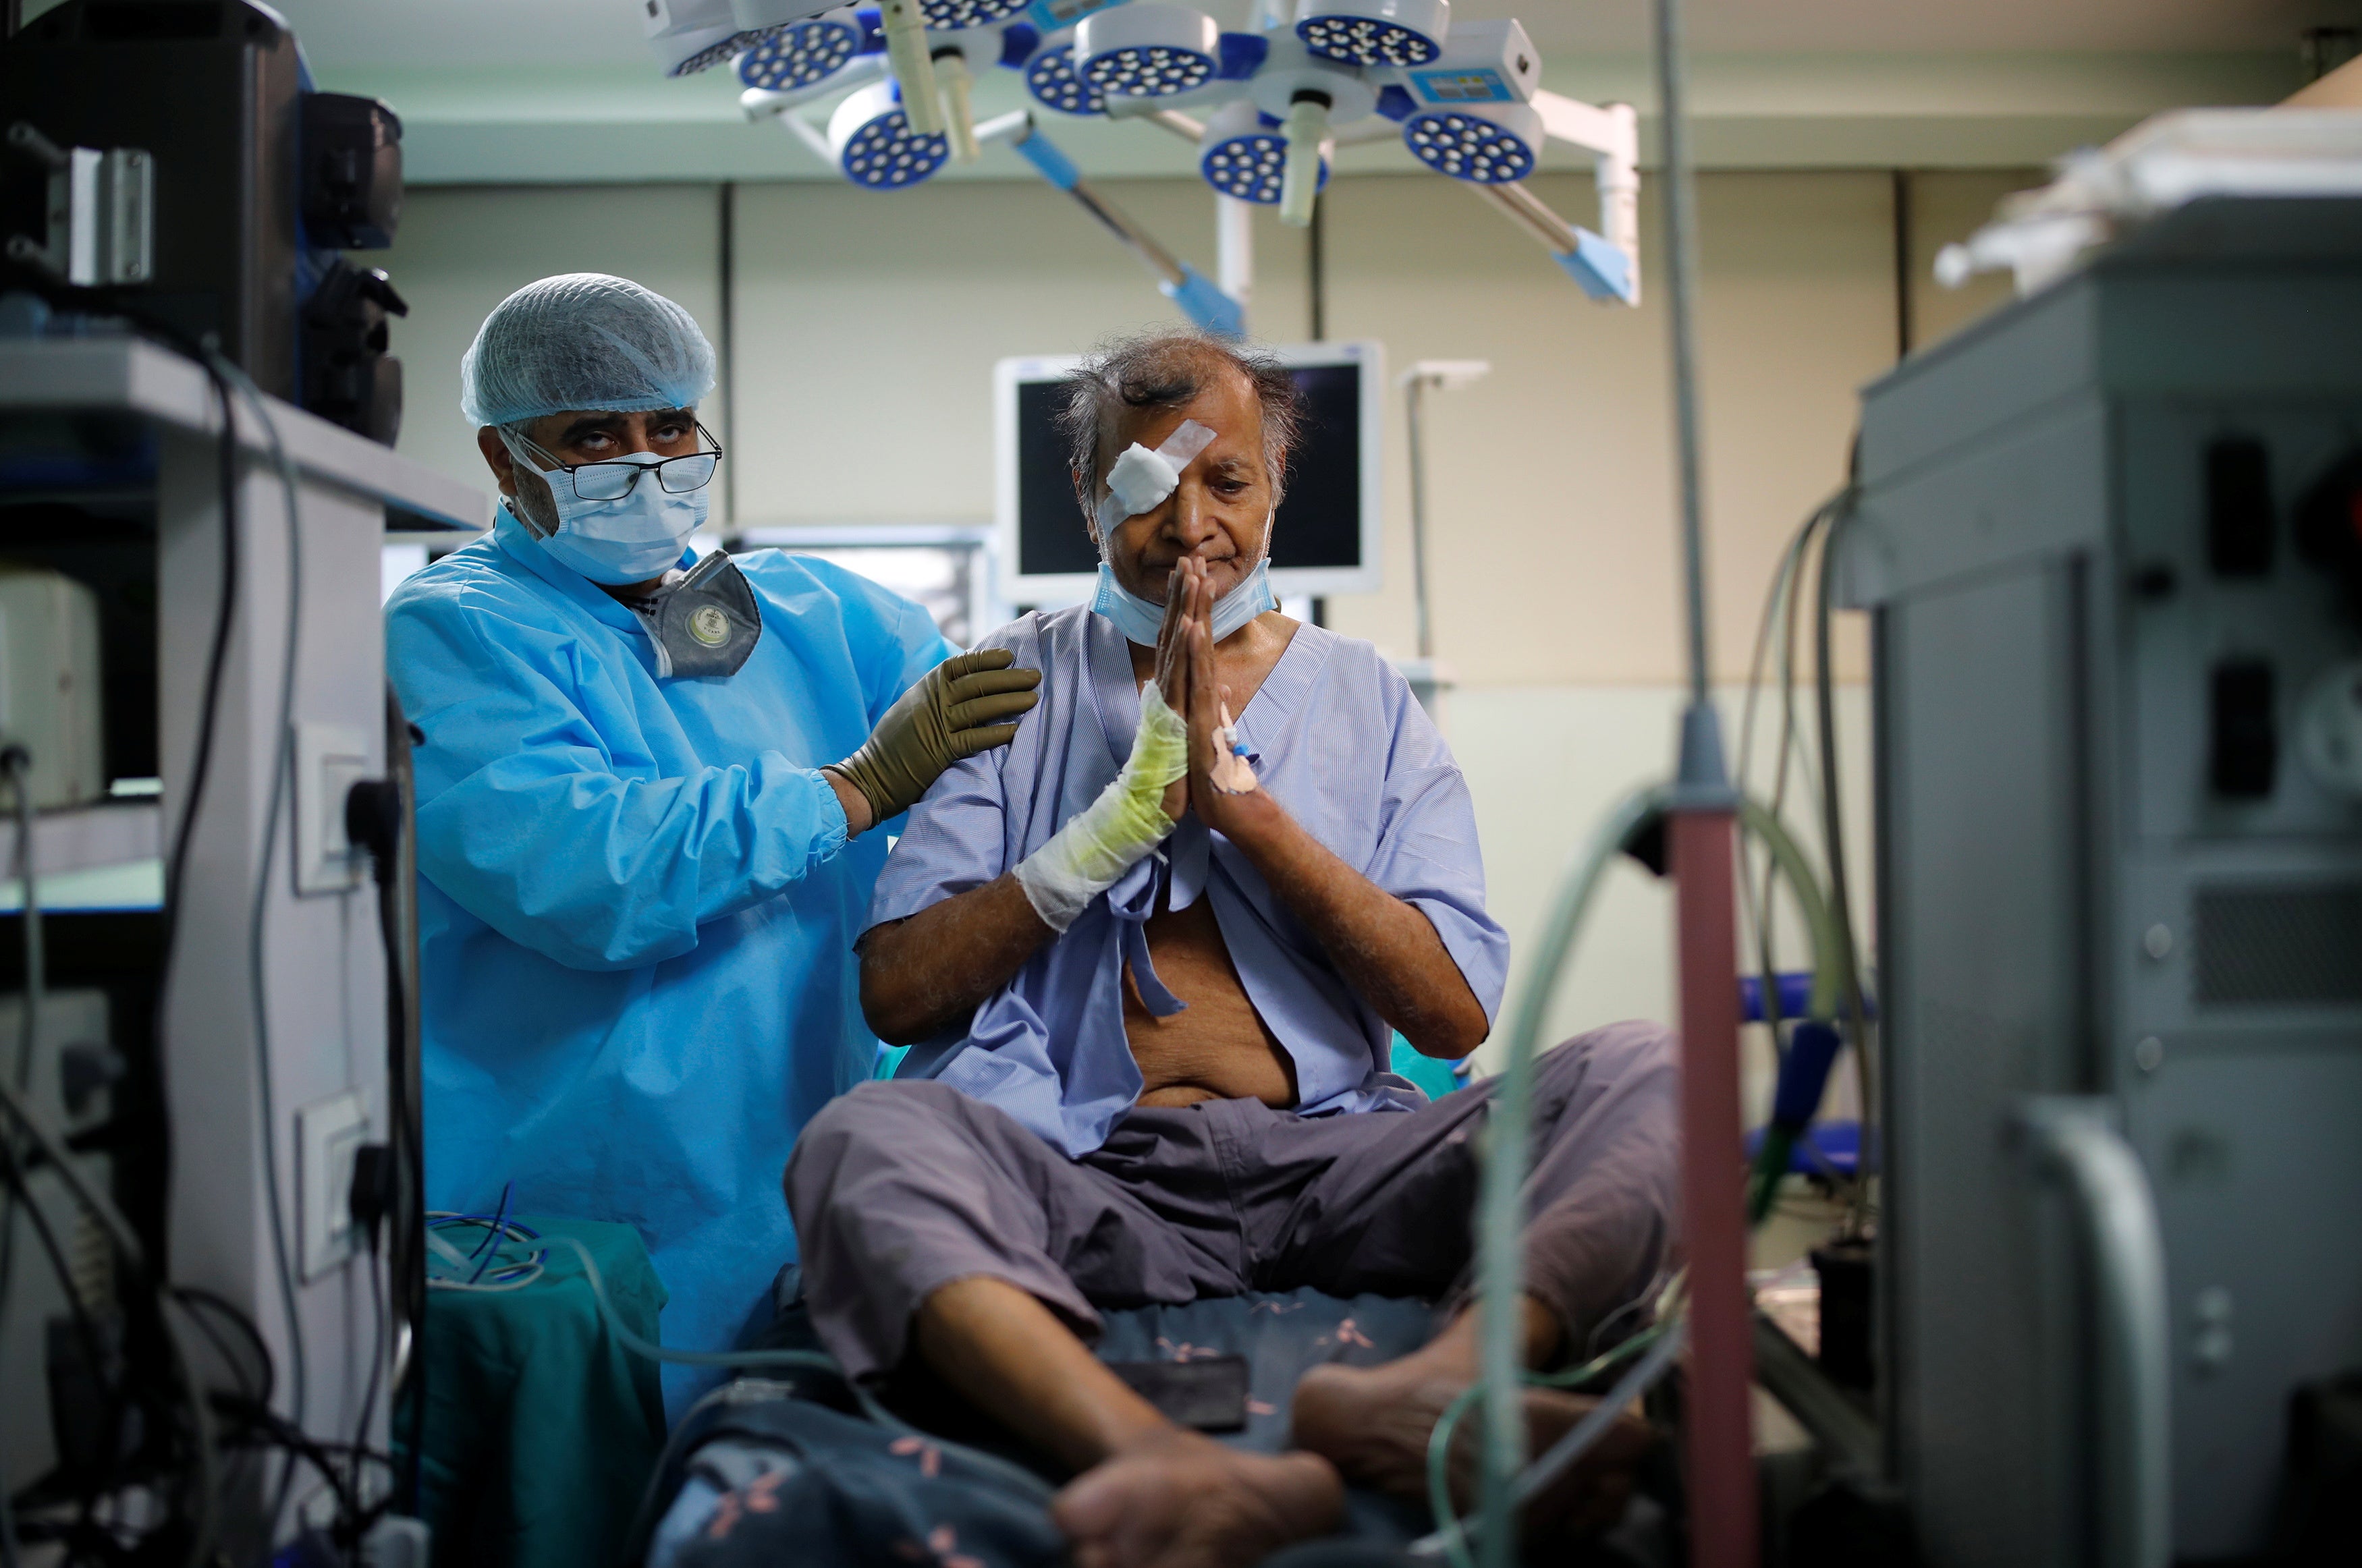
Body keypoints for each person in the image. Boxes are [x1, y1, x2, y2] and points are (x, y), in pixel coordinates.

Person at [785, 330, 1680, 1568]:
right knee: (862, 1139)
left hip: (1339, 1158)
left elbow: (1453, 1017)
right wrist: (1096, 841)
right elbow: (896, 990)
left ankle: (1440, 1394)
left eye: (1229, 481)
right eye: (1149, 484)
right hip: (1082, 1170)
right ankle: (1143, 1453)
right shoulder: (1008, 686)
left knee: (1651, 1073)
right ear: (1094, 501)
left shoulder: (1365, 698)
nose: (1190, 522)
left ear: (1271, 493)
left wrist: (1246, 816)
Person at [386, 273, 1039, 1417]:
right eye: (594, 435)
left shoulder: (814, 617)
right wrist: (857, 786)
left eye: (670, 425)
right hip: (566, 1209)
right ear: (504, 460)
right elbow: (590, 876)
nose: (646, 462)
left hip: (798, 1183)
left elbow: (1016, 745)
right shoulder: (453, 630)